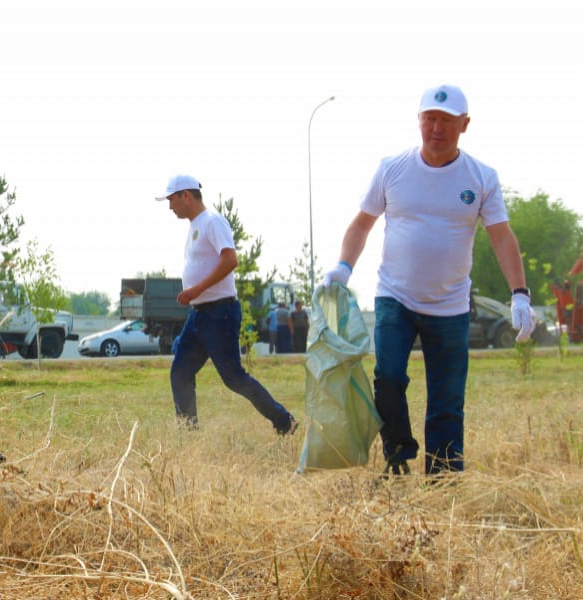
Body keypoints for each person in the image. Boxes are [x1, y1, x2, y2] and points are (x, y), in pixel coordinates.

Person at [323, 84, 535, 476]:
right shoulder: (392, 169)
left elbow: (502, 236)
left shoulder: (481, 178)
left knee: (448, 398)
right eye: (430, 119)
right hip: (395, 298)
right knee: (387, 378)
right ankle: (397, 454)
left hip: (451, 305)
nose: (437, 128)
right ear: (419, 121)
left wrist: (519, 294)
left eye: (447, 121)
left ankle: (442, 475)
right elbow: (361, 224)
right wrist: (343, 267)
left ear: (464, 125)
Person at [156, 174, 297, 434]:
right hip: (199, 314)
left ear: (186, 195)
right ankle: (189, 435)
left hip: (219, 313)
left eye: (172, 199)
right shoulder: (195, 226)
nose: (170, 206)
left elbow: (230, 260)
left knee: (234, 378)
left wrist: (196, 288)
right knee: (180, 372)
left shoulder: (213, 222)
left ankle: (284, 421)